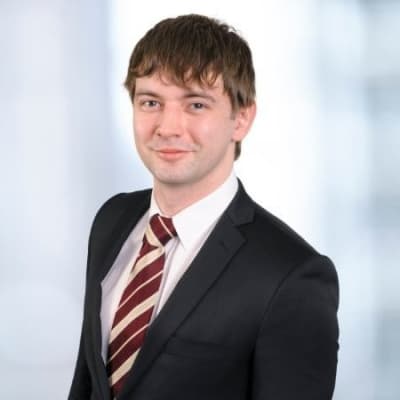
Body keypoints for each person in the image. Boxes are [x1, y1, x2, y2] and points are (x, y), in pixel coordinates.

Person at [69, 14, 339, 400]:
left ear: (241, 119)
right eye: (150, 102)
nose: (168, 127)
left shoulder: (292, 276)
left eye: (196, 104)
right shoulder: (112, 220)